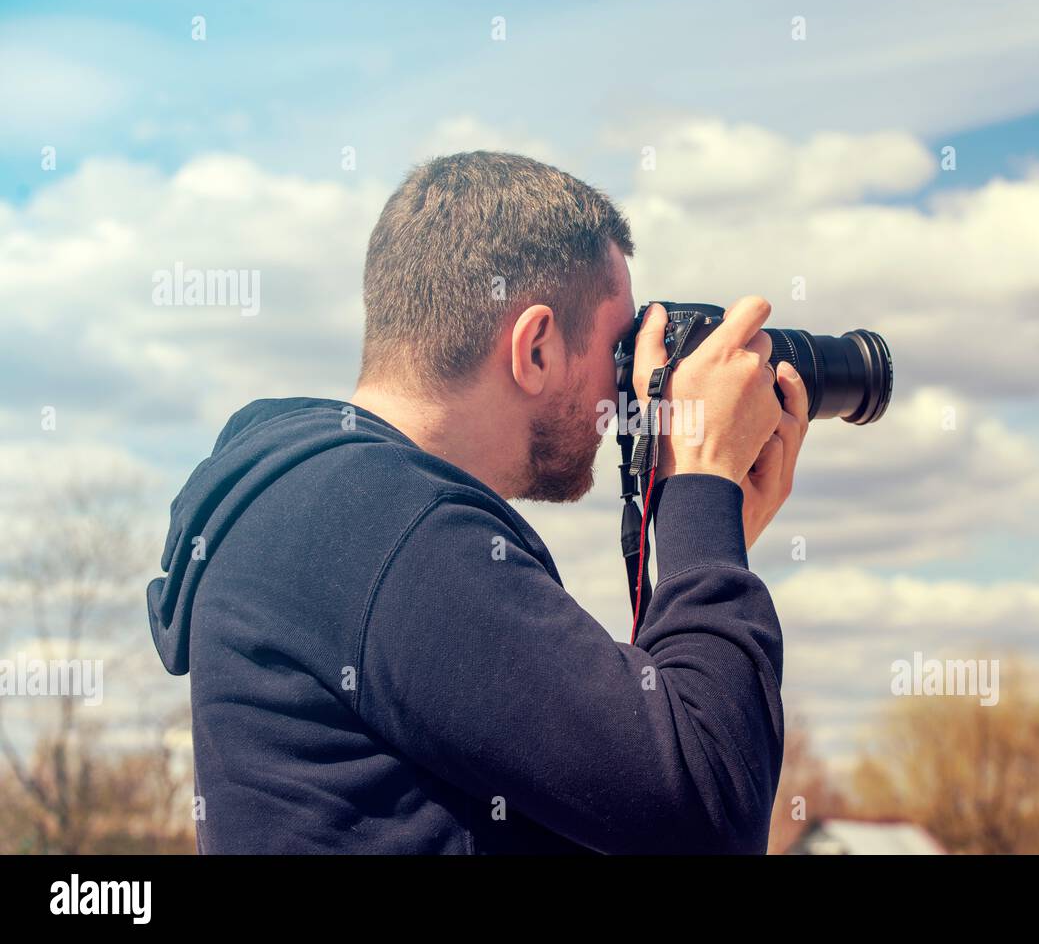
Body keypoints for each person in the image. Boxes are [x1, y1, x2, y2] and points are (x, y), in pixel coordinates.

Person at [146, 151, 809, 853]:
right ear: (537, 348)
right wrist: (699, 488)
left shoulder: (319, 511)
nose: (627, 397)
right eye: (620, 349)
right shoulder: (384, 525)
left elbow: (622, 793)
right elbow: (705, 815)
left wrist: (702, 548)